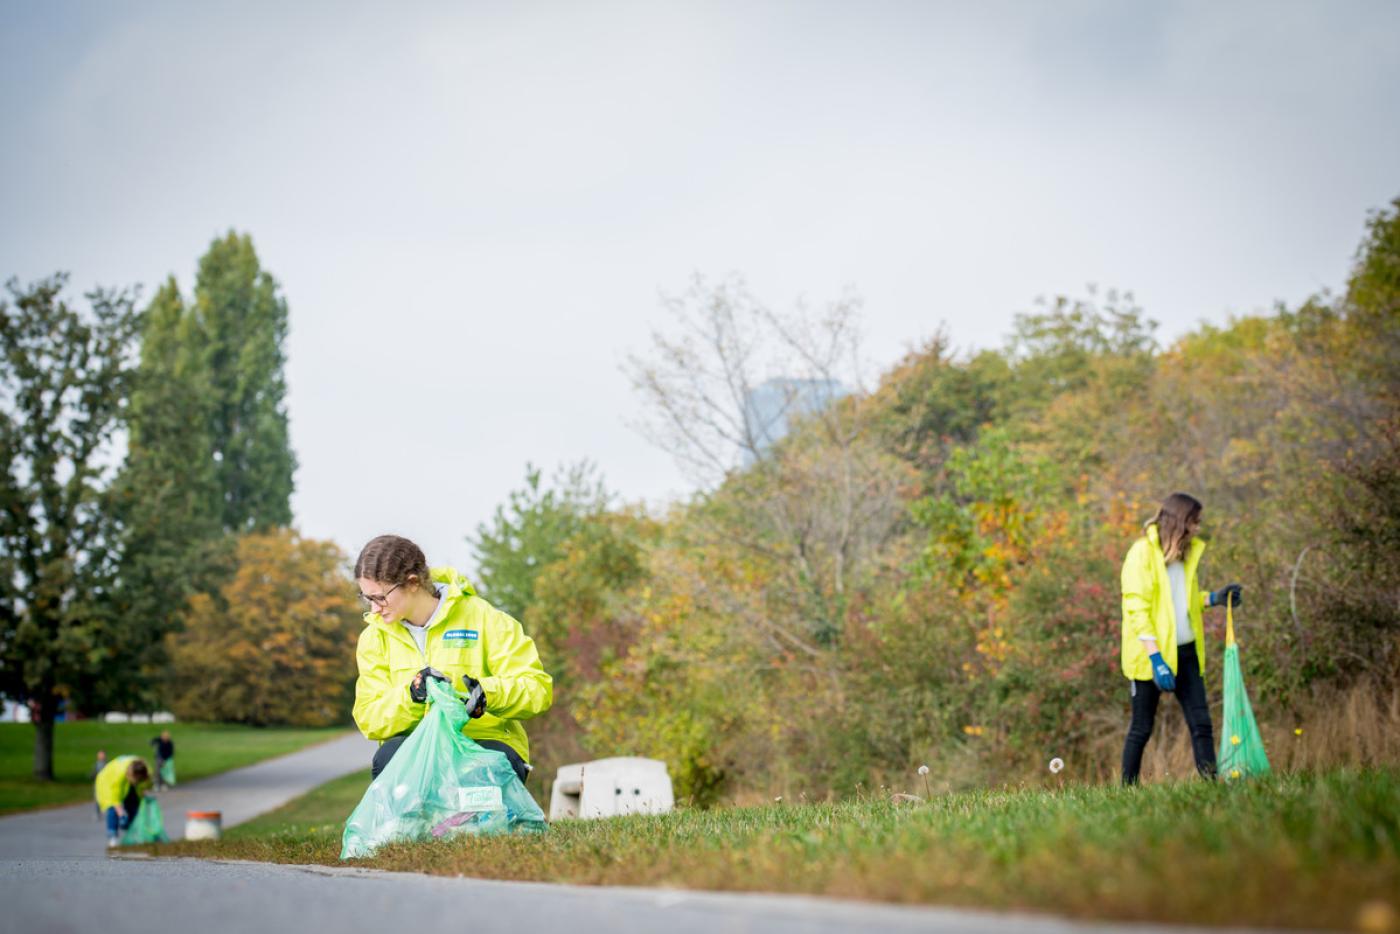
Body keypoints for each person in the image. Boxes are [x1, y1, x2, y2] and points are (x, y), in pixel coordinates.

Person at [352, 534, 553, 785]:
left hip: (484, 747)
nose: (374, 609)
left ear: (413, 582)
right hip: (418, 753)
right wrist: (411, 696)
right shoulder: (374, 638)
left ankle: (478, 820)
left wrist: (488, 694)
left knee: (491, 764)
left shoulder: (484, 617)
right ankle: (427, 823)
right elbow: (369, 717)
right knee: (388, 757)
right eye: (367, 598)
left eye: (380, 597)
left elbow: (537, 689)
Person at [1120, 492, 1243, 785]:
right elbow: (1137, 607)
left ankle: (1211, 783)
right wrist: (1155, 658)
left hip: (1186, 652)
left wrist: (1213, 598)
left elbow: (1180, 603)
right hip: (1151, 656)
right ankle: (1126, 790)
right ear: (1179, 521)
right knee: (1141, 728)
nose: (1198, 528)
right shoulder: (1141, 554)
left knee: (1201, 724)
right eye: (1194, 522)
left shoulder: (1184, 557)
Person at [94, 755, 152, 848]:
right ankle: (112, 837)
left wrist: (144, 791)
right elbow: (114, 799)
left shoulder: (142, 767)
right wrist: (122, 814)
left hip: (125, 781)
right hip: (107, 783)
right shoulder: (118, 776)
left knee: (134, 805)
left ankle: (133, 833)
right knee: (112, 810)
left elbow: (145, 782)